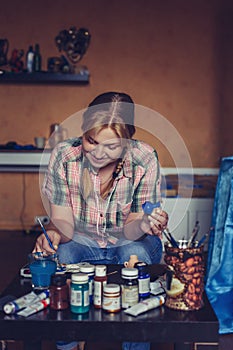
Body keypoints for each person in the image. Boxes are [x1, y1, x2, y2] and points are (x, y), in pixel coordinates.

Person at [33, 92, 168, 350]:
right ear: (83, 132)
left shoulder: (145, 157)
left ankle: (135, 344)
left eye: (111, 146)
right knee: (64, 254)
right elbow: (63, 221)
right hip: (83, 241)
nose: (97, 154)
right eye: (91, 141)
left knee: (135, 252)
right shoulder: (64, 156)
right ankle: (69, 344)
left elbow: (132, 229)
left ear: (127, 143)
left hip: (130, 238)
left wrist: (143, 224)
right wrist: (53, 233)